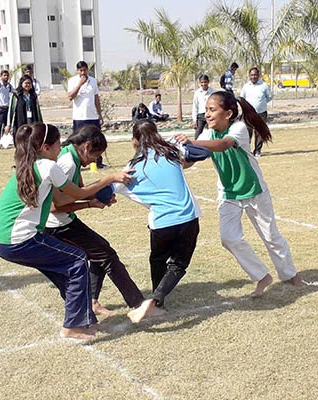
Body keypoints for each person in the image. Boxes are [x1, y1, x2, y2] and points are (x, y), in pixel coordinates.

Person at [0, 122, 134, 340]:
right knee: (77, 260)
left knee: (64, 270)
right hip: (18, 238)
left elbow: (63, 198)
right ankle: (72, 326)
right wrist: (109, 179)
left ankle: (84, 319)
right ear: (45, 147)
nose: (61, 148)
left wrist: (92, 201)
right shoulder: (49, 166)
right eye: (58, 145)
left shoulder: (30, 163)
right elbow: (77, 194)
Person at [175, 91, 303, 298]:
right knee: (228, 238)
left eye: (212, 110)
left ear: (228, 114)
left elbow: (224, 144)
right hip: (228, 194)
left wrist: (192, 142)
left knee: (271, 236)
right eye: (206, 110)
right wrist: (174, 159)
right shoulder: (207, 134)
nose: (207, 114)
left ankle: (291, 275)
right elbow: (190, 160)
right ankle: (262, 276)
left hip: (254, 191)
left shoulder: (239, 128)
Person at [44, 125, 145, 316]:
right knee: (107, 256)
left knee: (101, 252)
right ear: (87, 146)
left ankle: (92, 301)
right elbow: (54, 206)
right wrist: (105, 184)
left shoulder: (71, 156)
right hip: (56, 226)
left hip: (64, 221)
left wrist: (97, 197)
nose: (94, 160)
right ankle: (139, 304)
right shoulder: (68, 163)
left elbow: (77, 192)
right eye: (96, 155)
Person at [114, 120, 201, 323]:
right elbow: (201, 153)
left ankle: (156, 302)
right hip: (188, 219)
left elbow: (110, 190)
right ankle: (155, 300)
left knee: (157, 260)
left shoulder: (132, 166)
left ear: (134, 141)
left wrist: (102, 190)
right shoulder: (172, 152)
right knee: (178, 265)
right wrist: (188, 144)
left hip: (161, 223)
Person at [67, 61, 108, 169]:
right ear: (77, 71)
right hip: (79, 117)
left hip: (92, 116)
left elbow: (96, 98)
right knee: (78, 141)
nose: (83, 72)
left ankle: (97, 162)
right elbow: (70, 96)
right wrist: (80, 84)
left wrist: (99, 114)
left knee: (96, 140)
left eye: (84, 70)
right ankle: (77, 162)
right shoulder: (72, 81)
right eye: (80, 70)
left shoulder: (93, 81)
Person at [240, 67, 273, 158]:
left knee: (259, 132)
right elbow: (242, 98)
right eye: (252, 75)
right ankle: (247, 151)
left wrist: (261, 103)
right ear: (249, 75)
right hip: (248, 114)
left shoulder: (264, 85)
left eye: (255, 75)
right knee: (247, 132)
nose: (253, 77)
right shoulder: (246, 86)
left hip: (261, 113)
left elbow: (269, 96)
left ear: (258, 75)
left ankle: (257, 151)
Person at [5, 74, 42, 143]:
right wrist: (8, 124)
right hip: (20, 122)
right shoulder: (16, 95)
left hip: (32, 121)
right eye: (26, 83)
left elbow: (38, 110)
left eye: (29, 83)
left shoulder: (33, 96)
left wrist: (40, 123)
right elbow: (11, 111)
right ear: (21, 84)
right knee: (21, 141)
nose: (28, 85)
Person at [192, 74, 216, 139]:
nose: (203, 84)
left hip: (210, 115)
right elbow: (195, 106)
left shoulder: (213, 92)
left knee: (212, 133)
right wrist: (194, 120)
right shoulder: (197, 93)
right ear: (199, 83)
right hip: (201, 116)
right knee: (198, 134)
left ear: (208, 82)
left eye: (205, 82)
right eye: (202, 82)